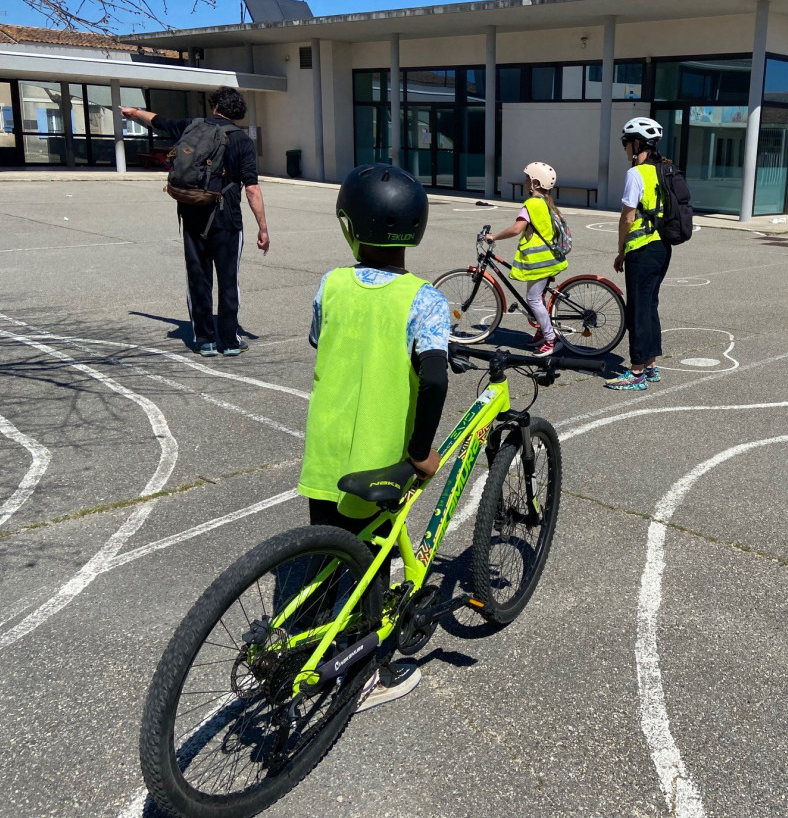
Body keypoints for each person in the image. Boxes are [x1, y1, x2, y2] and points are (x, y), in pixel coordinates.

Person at [296, 163, 451, 710]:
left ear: (350, 227)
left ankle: (305, 642)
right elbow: (434, 377)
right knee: (371, 567)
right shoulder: (425, 300)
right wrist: (420, 451)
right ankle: (366, 674)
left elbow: (321, 340)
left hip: (326, 449)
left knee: (327, 550)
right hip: (382, 455)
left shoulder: (331, 284)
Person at [121, 87, 269, 357]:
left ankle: (204, 340)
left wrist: (134, 112)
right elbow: (252, 189)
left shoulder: (192, 127)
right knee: (228, 280)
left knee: (198, 278)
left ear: (215, 107)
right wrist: (263, 227)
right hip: (227, 219)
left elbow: (160, 121)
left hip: (191, 213)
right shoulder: (242, 141)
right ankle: (230, 341)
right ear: (238, 112)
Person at [607, 117, 671, 391]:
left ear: (636, 144)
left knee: (637, 309)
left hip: (642, 248)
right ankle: (651, 365)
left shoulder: (636, 173)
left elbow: (628, 217)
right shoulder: (665, 169)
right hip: (663, 247)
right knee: (650, 306)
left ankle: (636, 373)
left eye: (626, 144)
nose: (625, 150)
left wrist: (621, 250)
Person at [483, 161, 569, 355]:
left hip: (540, 262)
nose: (523, 182)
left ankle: (550, 338)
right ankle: (541, 331)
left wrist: (493, 236)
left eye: (526, 179)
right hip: (550, 258)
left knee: (533, 300)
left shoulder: (531, 204)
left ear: (535, 183)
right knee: (537, 298)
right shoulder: (547, 204)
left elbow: (516, 229)